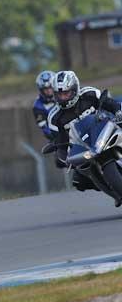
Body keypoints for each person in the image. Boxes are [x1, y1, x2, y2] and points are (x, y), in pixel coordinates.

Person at [47, 71, 122, 203]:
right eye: (60, 94)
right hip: (85, 147)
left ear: (75, 89)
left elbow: (110, 103)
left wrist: (117, 111)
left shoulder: (89, 94)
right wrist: (63, 157)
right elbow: (60, 142)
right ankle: (114, 194)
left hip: (108, 130)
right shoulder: (54, 118)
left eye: (67, 93)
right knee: (79, 178)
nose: (64, 98)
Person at [33, 70, 57, 139]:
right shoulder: (38, 106)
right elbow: (44, 127)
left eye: (50, 88)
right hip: (57, 136)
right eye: (46, 89)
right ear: (41, 90)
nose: (49, 91)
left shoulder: (64, 95)